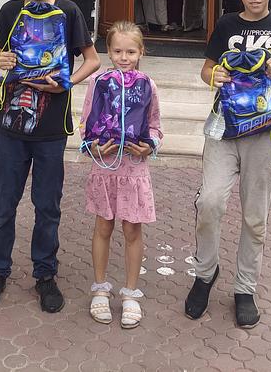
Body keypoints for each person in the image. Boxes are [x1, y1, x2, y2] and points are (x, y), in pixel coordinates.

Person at [0, 0, 100, 313]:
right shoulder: (10, 11)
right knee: (3, 205)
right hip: (10, 126)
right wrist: (0, 58)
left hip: (50, 128)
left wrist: (67, 83)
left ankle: (45, 274)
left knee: (47, 206)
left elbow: (92, 60)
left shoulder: (70, 12)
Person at [185, 0, 271, 329]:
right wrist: (216, 76)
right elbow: (206, 69)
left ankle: (245, 288)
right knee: (209, 202)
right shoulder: (226, 24)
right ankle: (205, 273)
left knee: (256, 216)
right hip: (224, 128)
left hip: (265, 131)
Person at [80, 21, 163, 328]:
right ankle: (100, 288)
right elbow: (85, 123)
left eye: (130, 51)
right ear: (109, 51)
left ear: (141, 52)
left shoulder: (148, 85)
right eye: (117, 51)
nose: (124, 57)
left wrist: (149, 145)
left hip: (134, 169)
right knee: (103, 226)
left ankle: (130, 293)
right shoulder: (98, 82)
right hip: (105, 167)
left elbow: (155, 125)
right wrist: (93, 146)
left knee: (132, 230)